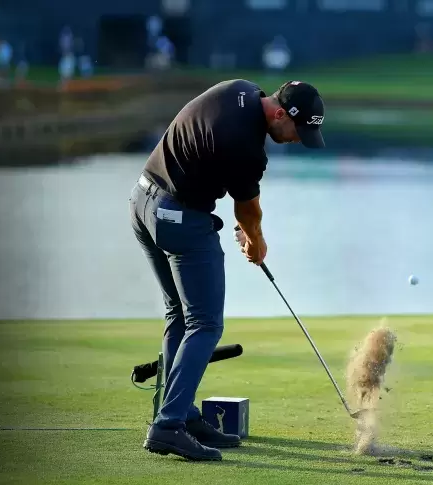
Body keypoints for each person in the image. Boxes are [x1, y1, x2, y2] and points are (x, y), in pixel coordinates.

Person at [132, 79, 326, 461]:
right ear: (280, 113)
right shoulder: (249, 148)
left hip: (142, 201)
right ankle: (168, 426)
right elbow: (248, 211)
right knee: (205, 324)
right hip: (176, 215)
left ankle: (180, 415)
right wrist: (255, 241)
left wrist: (245, 228)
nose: (297, 140)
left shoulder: (240, 89)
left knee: (180, 316)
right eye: (297, 131)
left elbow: (214, 162)